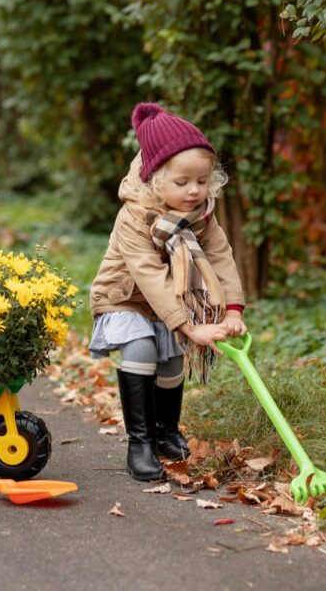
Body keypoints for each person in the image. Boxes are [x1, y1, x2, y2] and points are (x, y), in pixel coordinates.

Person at [89, 103, 248, 481]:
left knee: (172, 359)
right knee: (143, 346)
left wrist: (233, 310)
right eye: (182, 183)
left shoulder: (201, 214)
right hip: (124, 297)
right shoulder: (134, 217)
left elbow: (221, 257)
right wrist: (190, 327)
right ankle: (140, 443)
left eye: (202, 180)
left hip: (167, 302)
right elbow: (149, 276)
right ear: (156, 180)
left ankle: (166, 431)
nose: (194, 191)